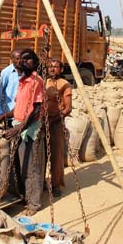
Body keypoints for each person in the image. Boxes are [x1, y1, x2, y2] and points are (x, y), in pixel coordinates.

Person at [0, 49, 45, 216]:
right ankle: (24, 196)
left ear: (35, 62)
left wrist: (19, 128)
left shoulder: (36, 81)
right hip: (19, 126)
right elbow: (19, 106)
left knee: (32, 167)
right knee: (19, 166)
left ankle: (33, 204)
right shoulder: (23, 81)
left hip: (29, 130)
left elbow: (36, 110)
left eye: (28, 59)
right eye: (22, 59)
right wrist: (4, 115)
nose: (24, 62)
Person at [44, 59, 72, 196]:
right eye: (50, 67)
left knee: (56, 156)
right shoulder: (46, 82)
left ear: (61, 69)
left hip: (56, 124)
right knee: (42, 154)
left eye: (55, 67)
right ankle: (43, 182)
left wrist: (55, 118)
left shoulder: (64, 85)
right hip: (43, 122)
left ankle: (56, 185)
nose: (52, 69)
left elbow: (68, 109)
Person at [0, 49, 22, 129]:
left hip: (21, 115)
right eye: (17, 59)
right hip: (8, 115)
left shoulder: (26, 72)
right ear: (12, 59)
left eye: (21, 58)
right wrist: (0, 113)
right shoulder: (6, 72)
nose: (20, 61)